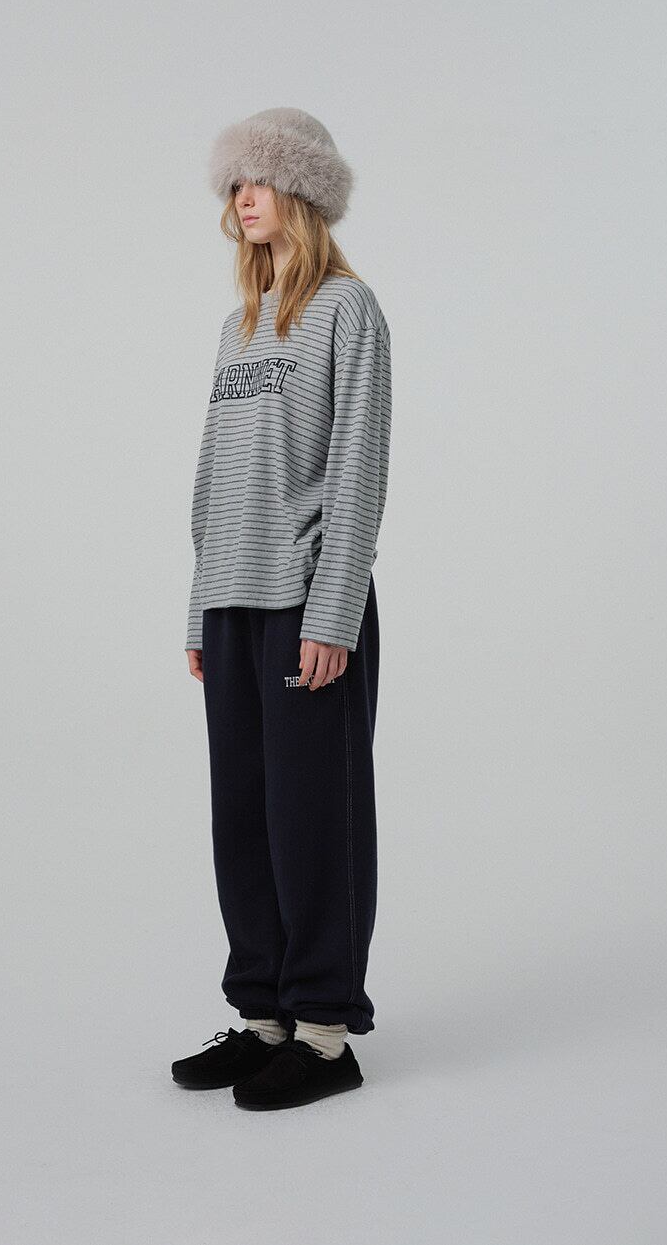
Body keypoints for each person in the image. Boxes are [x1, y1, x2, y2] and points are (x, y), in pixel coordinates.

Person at [171, 107, 392, 1110]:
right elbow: (211, 478)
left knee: (313, 819)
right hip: (232, 604)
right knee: (244, 818)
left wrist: (333, 612)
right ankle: (263, 1017)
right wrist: (198, 610)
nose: (243, 197)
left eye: (259, 179)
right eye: (234, 184)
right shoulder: (239, 326)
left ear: (302, 191)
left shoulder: (349, 311)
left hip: (307, 602)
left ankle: (325, 1034)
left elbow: (358, 468)